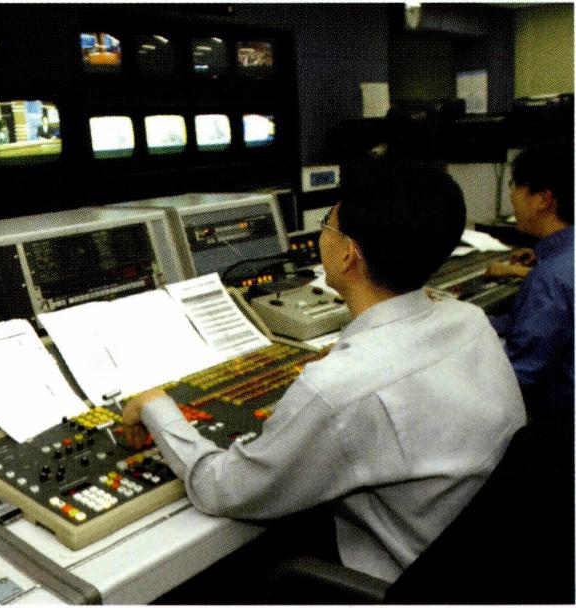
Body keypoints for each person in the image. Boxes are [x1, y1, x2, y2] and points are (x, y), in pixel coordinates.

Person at [122, 166, 526, 585]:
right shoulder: (470, 321)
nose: (321, 237)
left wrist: (157, 408)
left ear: (349, 254)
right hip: (480, 563)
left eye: (326, 225)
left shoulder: (339, 389)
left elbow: (221, 489)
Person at [486, 142, 574, 419]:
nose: (511, 196)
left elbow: (519, 374)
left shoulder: (548, 280)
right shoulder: (561, 260)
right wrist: (477, 320)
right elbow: (537, 323)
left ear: (543, 200)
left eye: (515, 186)